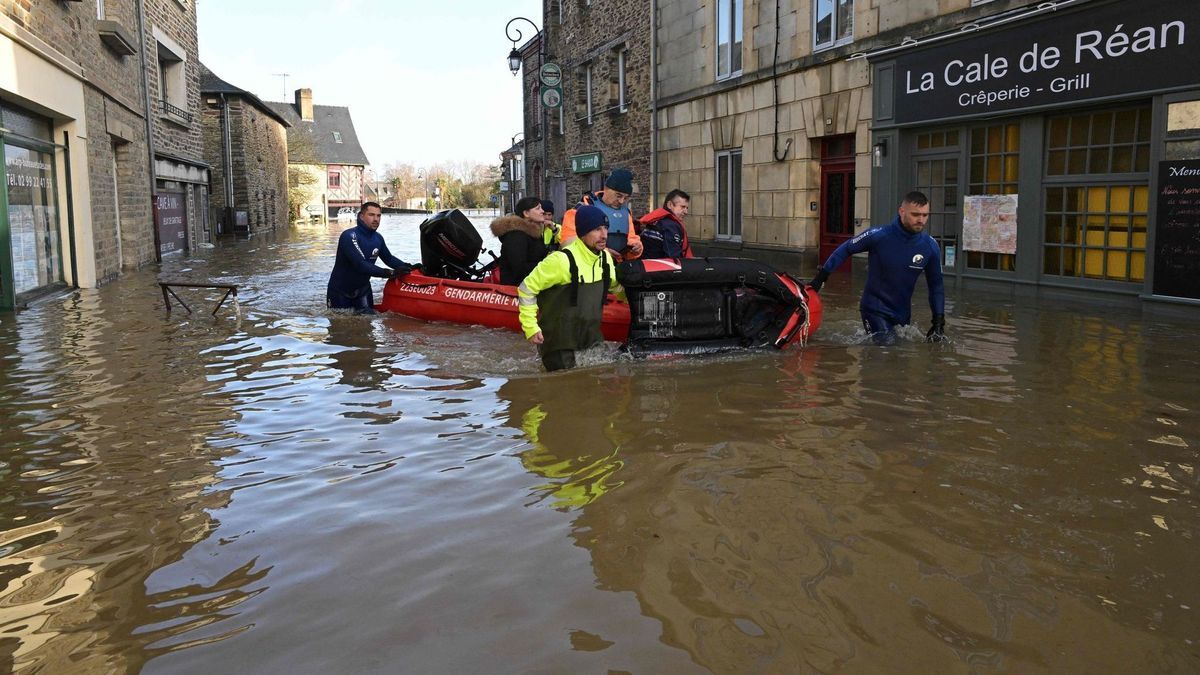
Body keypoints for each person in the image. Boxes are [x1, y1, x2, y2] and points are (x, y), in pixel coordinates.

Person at [809, 191, 946, 345]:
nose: (921, 220)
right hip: (874, 308)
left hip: (902, 313)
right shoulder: (878, 235)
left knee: (901, 357)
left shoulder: (930, 246)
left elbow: (936, 286)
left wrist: (938, 322)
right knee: (886, 348)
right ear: (902, 212)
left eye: (925, 215)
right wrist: (821, 277)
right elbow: (846, 248)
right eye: (915, 215)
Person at [518, 205, 625, 371]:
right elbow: (527, 289)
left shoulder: (606, 259)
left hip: (591, 340)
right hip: (559, 345)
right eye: (597, 229)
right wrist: (530, 327)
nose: (604, 235)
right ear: (582, 233)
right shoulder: (561, 261)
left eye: (606, 228)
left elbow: (617, 288)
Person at [326, 201, 417, 314]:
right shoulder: (349, 236)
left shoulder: (378, 238)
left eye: (378, 216)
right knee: (342, 326)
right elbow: (361, 264)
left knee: (368, 326)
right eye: (371, 215)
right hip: (340, 292)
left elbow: (389, 259)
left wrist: (410, 267)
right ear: (361, 216)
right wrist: (391, 273)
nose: (376, 219)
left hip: (363, 290)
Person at [561, 168, 643, 261]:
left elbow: (631, 239)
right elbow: (567, 244)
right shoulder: (581, 209)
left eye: (626, 198)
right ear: (606, 189)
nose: (621, 201)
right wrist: (603, 252)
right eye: (618, 195)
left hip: (617, 268)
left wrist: (636, 248)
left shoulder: (626, 213)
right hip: (590, 267)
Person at [491, 197, 555, 286]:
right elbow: (519, 270)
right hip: (517, 291)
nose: (542, 211)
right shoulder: (516, 236)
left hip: (533, 284)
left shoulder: (534, 233)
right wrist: (548, 265)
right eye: (538, 208)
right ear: (526, 213)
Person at [637, 189, 693, 259]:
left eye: (687, 208)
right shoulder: (670, 225)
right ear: (670, 205)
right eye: (682, 207)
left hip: (645, 264)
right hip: (659, 267)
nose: (686, 212)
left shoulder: (656, 221)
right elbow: (673, 256)